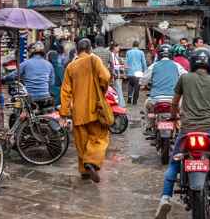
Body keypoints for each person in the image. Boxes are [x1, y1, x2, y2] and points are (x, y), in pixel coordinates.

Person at [154, 51, 210, 219]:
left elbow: (174, 103)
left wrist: (173, 116)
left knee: (174, 163)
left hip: (187, 131)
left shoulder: (185, 79)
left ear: (192, 63)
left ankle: (165, 199)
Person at [60, 38, 112, 183]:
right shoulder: (93, 59)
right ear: (90, 49)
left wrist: (63, 113)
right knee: (100, 138)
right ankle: (91, 162)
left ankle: (84, 171)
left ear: (77, 50)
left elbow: (65, 91)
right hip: (95, 109)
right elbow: (106, 76)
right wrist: (102, 89)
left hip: (78, 112)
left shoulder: (71, 66)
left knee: (81, 142)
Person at [124, 40, 148, 106]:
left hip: (130, 71)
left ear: (133, 45)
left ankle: (129, 97)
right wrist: (145, 71)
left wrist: (125, 71)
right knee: (137, 87)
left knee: (130, 84)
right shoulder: (141, 52)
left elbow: (126, 62)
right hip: (138, 72)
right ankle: (134, 101)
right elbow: (144, 63)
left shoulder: (128, 52)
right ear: (138, 45)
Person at [110, 41, 126, 108]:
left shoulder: (115, 55)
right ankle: (120, 104)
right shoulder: (112, 55)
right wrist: (121, 66)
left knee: (118, 89)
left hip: (116, 74)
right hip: (115, 74)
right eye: (118, 47)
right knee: (118, 89)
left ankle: (120, 104)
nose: (119, 48)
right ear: (114, 47)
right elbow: (113, 66)